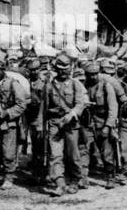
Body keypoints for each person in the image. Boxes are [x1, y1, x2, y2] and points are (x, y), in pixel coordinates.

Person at [33, 54, 88, 196]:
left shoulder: (76, 84)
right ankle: (60, 183)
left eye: (66, 68)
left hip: (71, 124)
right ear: (56, 69)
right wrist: (40, 124)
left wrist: (72, 113)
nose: (64, 71)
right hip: (54, 123)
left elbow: (80, 103)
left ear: (70, 68)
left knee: (73, 155)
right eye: (61, 68)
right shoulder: (49, 85)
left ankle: (75, 180)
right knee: (55, 155)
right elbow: (43, 107)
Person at [0, 53, 30, 189]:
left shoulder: (12, 83)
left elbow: (21, 104)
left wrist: (7, 113)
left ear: (3, 70)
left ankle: (9, 177)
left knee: (8, 152)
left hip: (9, 123)